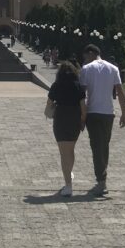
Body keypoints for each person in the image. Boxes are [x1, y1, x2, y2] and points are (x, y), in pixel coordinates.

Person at [79, 44, 125, 195]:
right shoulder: (113, 68)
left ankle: (101, 181)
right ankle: (102, 178)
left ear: (91, 53)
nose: (85, 60)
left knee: (97, 147)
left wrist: (82, 117)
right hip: (108, 113)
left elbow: (82, 95)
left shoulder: (86, 69)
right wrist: (124, 113)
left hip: (93, 113)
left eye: (85, 56)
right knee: (104, 145)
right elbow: (120, 91)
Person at [47, 61, 87, 196]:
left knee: (64, 153)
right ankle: (69, 174)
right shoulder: (78, 86)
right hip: (74, 120)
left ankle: (68, 185)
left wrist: (52, 110)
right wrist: (82, 121)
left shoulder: (56, 86)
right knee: (70, 150)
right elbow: (83, 107)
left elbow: (48, 109)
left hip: (61, 120)